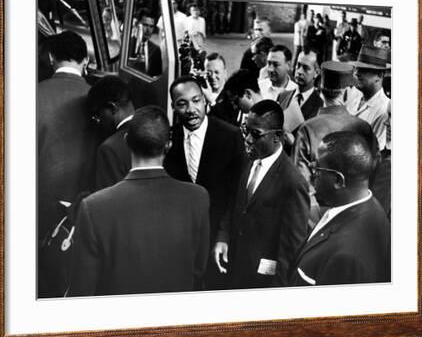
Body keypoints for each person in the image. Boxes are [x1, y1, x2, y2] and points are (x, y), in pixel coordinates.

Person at [68, 106, 210, 296]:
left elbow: (83, 288)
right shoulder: (198, 198)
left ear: (127, 142)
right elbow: (199, 268)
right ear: (168, 145)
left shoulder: (93, 207)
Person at [214, 100, 310, 288]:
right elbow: (235, 205)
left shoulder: (293, 182)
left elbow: (290, 250)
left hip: (263, 283)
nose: (248, 139)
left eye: (255, 134)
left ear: (277, 137)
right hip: (235, 273)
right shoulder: (249, 160)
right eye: (245, 130)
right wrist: (223, 237)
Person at [164, 76, 246, 289]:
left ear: (205, 101)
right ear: (173, 107)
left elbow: (237, 193)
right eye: (182, 104)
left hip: (217, 241)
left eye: (196, 100)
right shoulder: (168, 141)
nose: (191, 109)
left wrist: (223, 235)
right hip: (179, 244)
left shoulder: (231, 136)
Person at [37, 30, 100, 297]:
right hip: (84, 210)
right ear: (85, 60)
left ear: (51, 57)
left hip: (39, 207)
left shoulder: (30, 95)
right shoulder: (98, 98)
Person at [289, 131, 391, 286]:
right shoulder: (372, 208)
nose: (311, 176)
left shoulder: (346, 257)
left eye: (316, 169)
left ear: (338, 180)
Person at [293, 61, 377, 230]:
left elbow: (301, 183)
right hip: (357, 215)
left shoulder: (307, 129)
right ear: (346, 93)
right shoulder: (363, 128)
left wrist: (317, 222)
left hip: (318, 217)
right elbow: (374, 173)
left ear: (320, 91)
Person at [86, 75, 135, 191]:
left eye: (97, 115)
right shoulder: (154, 129)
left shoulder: (110, 148)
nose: (98, 121)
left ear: (112, 108)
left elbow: (109, 203)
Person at [349, 45, 391, 150]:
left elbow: (375, 153)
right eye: (357, 68)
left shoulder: (384, 110)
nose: (356, 73)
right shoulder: (354, 98)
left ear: (379, 75)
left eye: (363, 70)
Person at [277, 50, 323, 122]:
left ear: (316, 73)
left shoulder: (320, 106)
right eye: (298, 65)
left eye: (305, 68)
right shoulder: (282, 96)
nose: (299, 71)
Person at [199, 53, 241, 126]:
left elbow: (230, 126)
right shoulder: (201, 94)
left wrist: (212, 102)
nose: (212, 77)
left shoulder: (233, 98)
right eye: (208, 73)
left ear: (225, 73)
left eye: (216, 72)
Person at [128, 7, 162, 77]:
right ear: (137, 24)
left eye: (151, 26)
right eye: (145, 25)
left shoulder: (155, 50)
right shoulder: (127, 44)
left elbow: (156, 76)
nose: (148, 30)